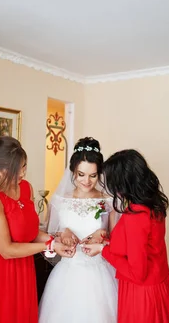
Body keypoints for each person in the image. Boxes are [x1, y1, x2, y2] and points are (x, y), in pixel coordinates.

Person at [0, 136, 75, 323]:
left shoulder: (26, 188)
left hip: (23, 266)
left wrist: (54, 241)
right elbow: (7, 250)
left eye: (24, 166)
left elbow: (30, 233)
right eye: (16, 169)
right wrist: (49, 247)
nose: (22, 174)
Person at [82, 149, 169, 322]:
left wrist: (103, 250)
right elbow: (144, 245)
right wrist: (109, 240)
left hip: (142, 294)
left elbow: (137, 272)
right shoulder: (152, 204)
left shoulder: (136, 215)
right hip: (159, 285)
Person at [38, 137, 119, 323]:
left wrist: (104, 235)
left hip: (100, 274)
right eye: (81, 174)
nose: (87, 181)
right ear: (73, 170)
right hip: (68, 274)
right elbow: (48, 239)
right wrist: (62, 232)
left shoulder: (108, 202)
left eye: (93, 175)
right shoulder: (58, 201)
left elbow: (117, 241)